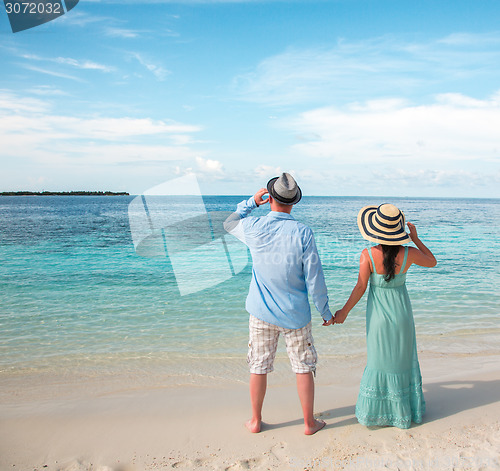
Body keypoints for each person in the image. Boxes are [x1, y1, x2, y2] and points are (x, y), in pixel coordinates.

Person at [224, 173, 333, 435]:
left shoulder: (254, 227)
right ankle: (309, 423)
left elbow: (229, 223)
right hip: (296, 315)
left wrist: (251, 202)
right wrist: (325, 311)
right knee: (303, 367)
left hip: (261, 313)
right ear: (293, 202)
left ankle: (255, 421)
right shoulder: (303, 232)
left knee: (258, 367)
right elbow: (314, 278)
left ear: (269, 198)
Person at [333, 203, 436, 429]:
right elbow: (432, 261)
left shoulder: (368, 254)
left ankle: (380, 414)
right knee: (402, 362)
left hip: (378, 319)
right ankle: (403, 413)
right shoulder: (409, 253)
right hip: (402, 316)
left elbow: (360, 287)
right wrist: (415, 239)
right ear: (398, 231)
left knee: (379, 362)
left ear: (375, 231)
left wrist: (343, 312)